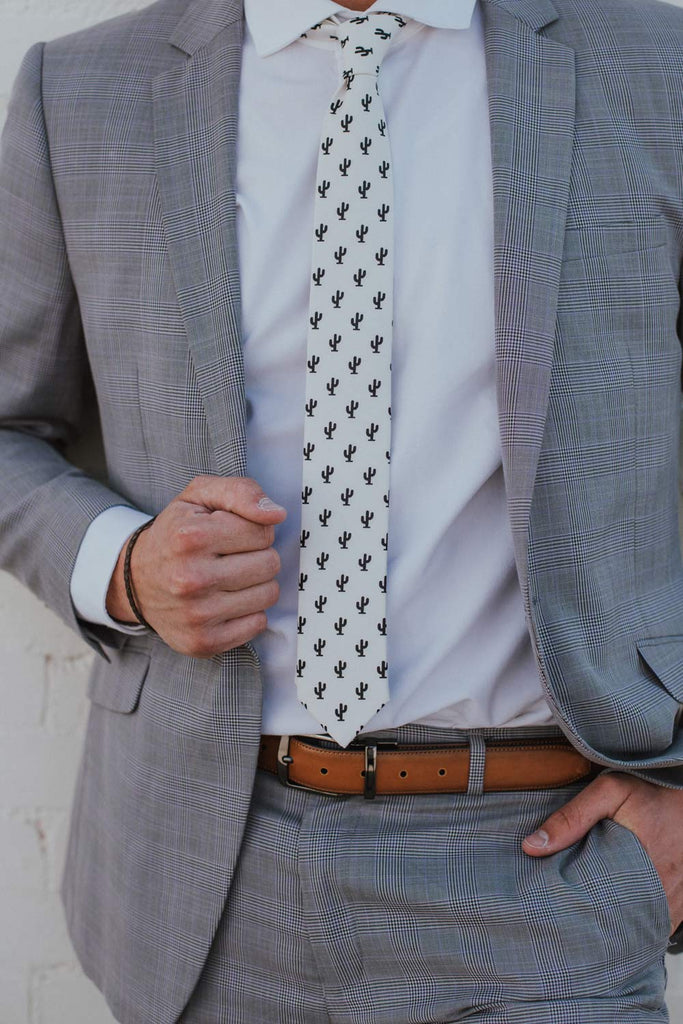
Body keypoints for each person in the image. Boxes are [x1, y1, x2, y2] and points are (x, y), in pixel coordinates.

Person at [1, 0, 683, 1018]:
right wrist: (124, 564)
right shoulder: (83, 91)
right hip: (207, 875)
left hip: (548, 875)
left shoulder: (655, 62)